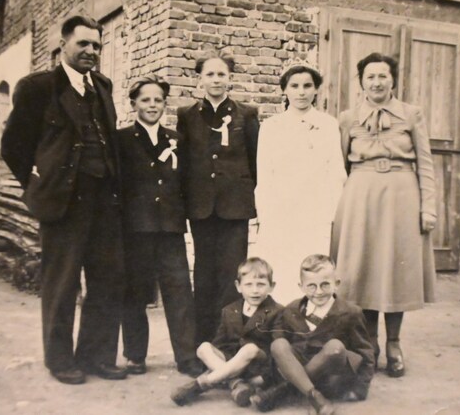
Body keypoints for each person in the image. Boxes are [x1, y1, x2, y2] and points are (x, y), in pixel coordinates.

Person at [0, 15, 127, 384]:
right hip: (64, 202)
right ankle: (60, 361)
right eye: (83, 44)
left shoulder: (102, 86)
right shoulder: (39, 87)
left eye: (96, 45)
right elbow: (14, 145)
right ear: (64, 45)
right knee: (62, 283)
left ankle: (97, 356)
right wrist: (38, 182)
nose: (90, 51)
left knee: (107, 278)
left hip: (104, 199)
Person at [330, 53, 438, 378]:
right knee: (363, 270)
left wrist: (428, 207)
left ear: (393, 80)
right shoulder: (348, 118)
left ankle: (393, 343)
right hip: (360, 195)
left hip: (402, 194)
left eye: (383, 76)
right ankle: (369, 344)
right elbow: (338, 167)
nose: (377, 82)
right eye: (370, 76)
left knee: (394, 270)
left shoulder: (411, 114)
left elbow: (426, 163)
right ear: (361, 81)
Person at [116, 75, 200, 377]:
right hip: (136, 229)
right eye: (145, 100)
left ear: (165, 104)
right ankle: (135, 355)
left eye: (157, 100)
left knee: (179, 292)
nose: (152, 105)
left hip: (170, 228)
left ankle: (186, 356)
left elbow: (186, 181)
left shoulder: (176, 139)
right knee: (135, 292)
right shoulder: (122, 140)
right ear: (134, 103)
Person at [176, 50, 260, 345]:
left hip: (234, 208)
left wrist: (251, 199)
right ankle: (203, 342)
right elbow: (183, 162)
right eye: (209, 74)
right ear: (200, 80)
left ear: (230, 79)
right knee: (204, 274)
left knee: (231, 276)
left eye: (221, 74)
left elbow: (254, 160)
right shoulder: (186, 116)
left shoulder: (246, 114)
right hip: (201, 207)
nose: (216, 79)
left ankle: (229, 341)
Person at [253, 62, 346, 303]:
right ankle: (280, 324)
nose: (301, 92)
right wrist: (265, 212)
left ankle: (311, 325)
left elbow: (336, 171)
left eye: (307, 86)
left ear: (316, 90)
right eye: (294, 86)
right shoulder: (271, 127)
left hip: (314, 212)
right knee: (280, 265)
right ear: (285, 90)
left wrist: (331, 213)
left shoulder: (327, 125)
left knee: (312, 266)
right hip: (281, 210)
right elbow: (264, 174)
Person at [250, 254, 375, 415]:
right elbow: (280, 353)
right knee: (278, 344)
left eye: (325, 285)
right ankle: (315, 396)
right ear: (301, 286)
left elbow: (365, 352)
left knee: (335, 347)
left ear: (336, 284)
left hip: (332, 375)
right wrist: (267, 378)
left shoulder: (351, 312)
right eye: (311, 286)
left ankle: (282, 391)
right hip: (298, 368)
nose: (319, 292)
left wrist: (360, 388)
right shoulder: (292, 309)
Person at [171, 257, 283, 407]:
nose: (255, 290)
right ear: (238, 286)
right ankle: (237, 384)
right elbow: (220, 343)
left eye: (261, 285)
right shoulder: (230, 310)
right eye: (248, 285)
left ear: (271, 286)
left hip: (259, 366)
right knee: (204, 348)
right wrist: (218, 359)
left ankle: (201, 384)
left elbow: (278, 348)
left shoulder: (277, 311)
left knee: (249, 348)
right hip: (233, 363)